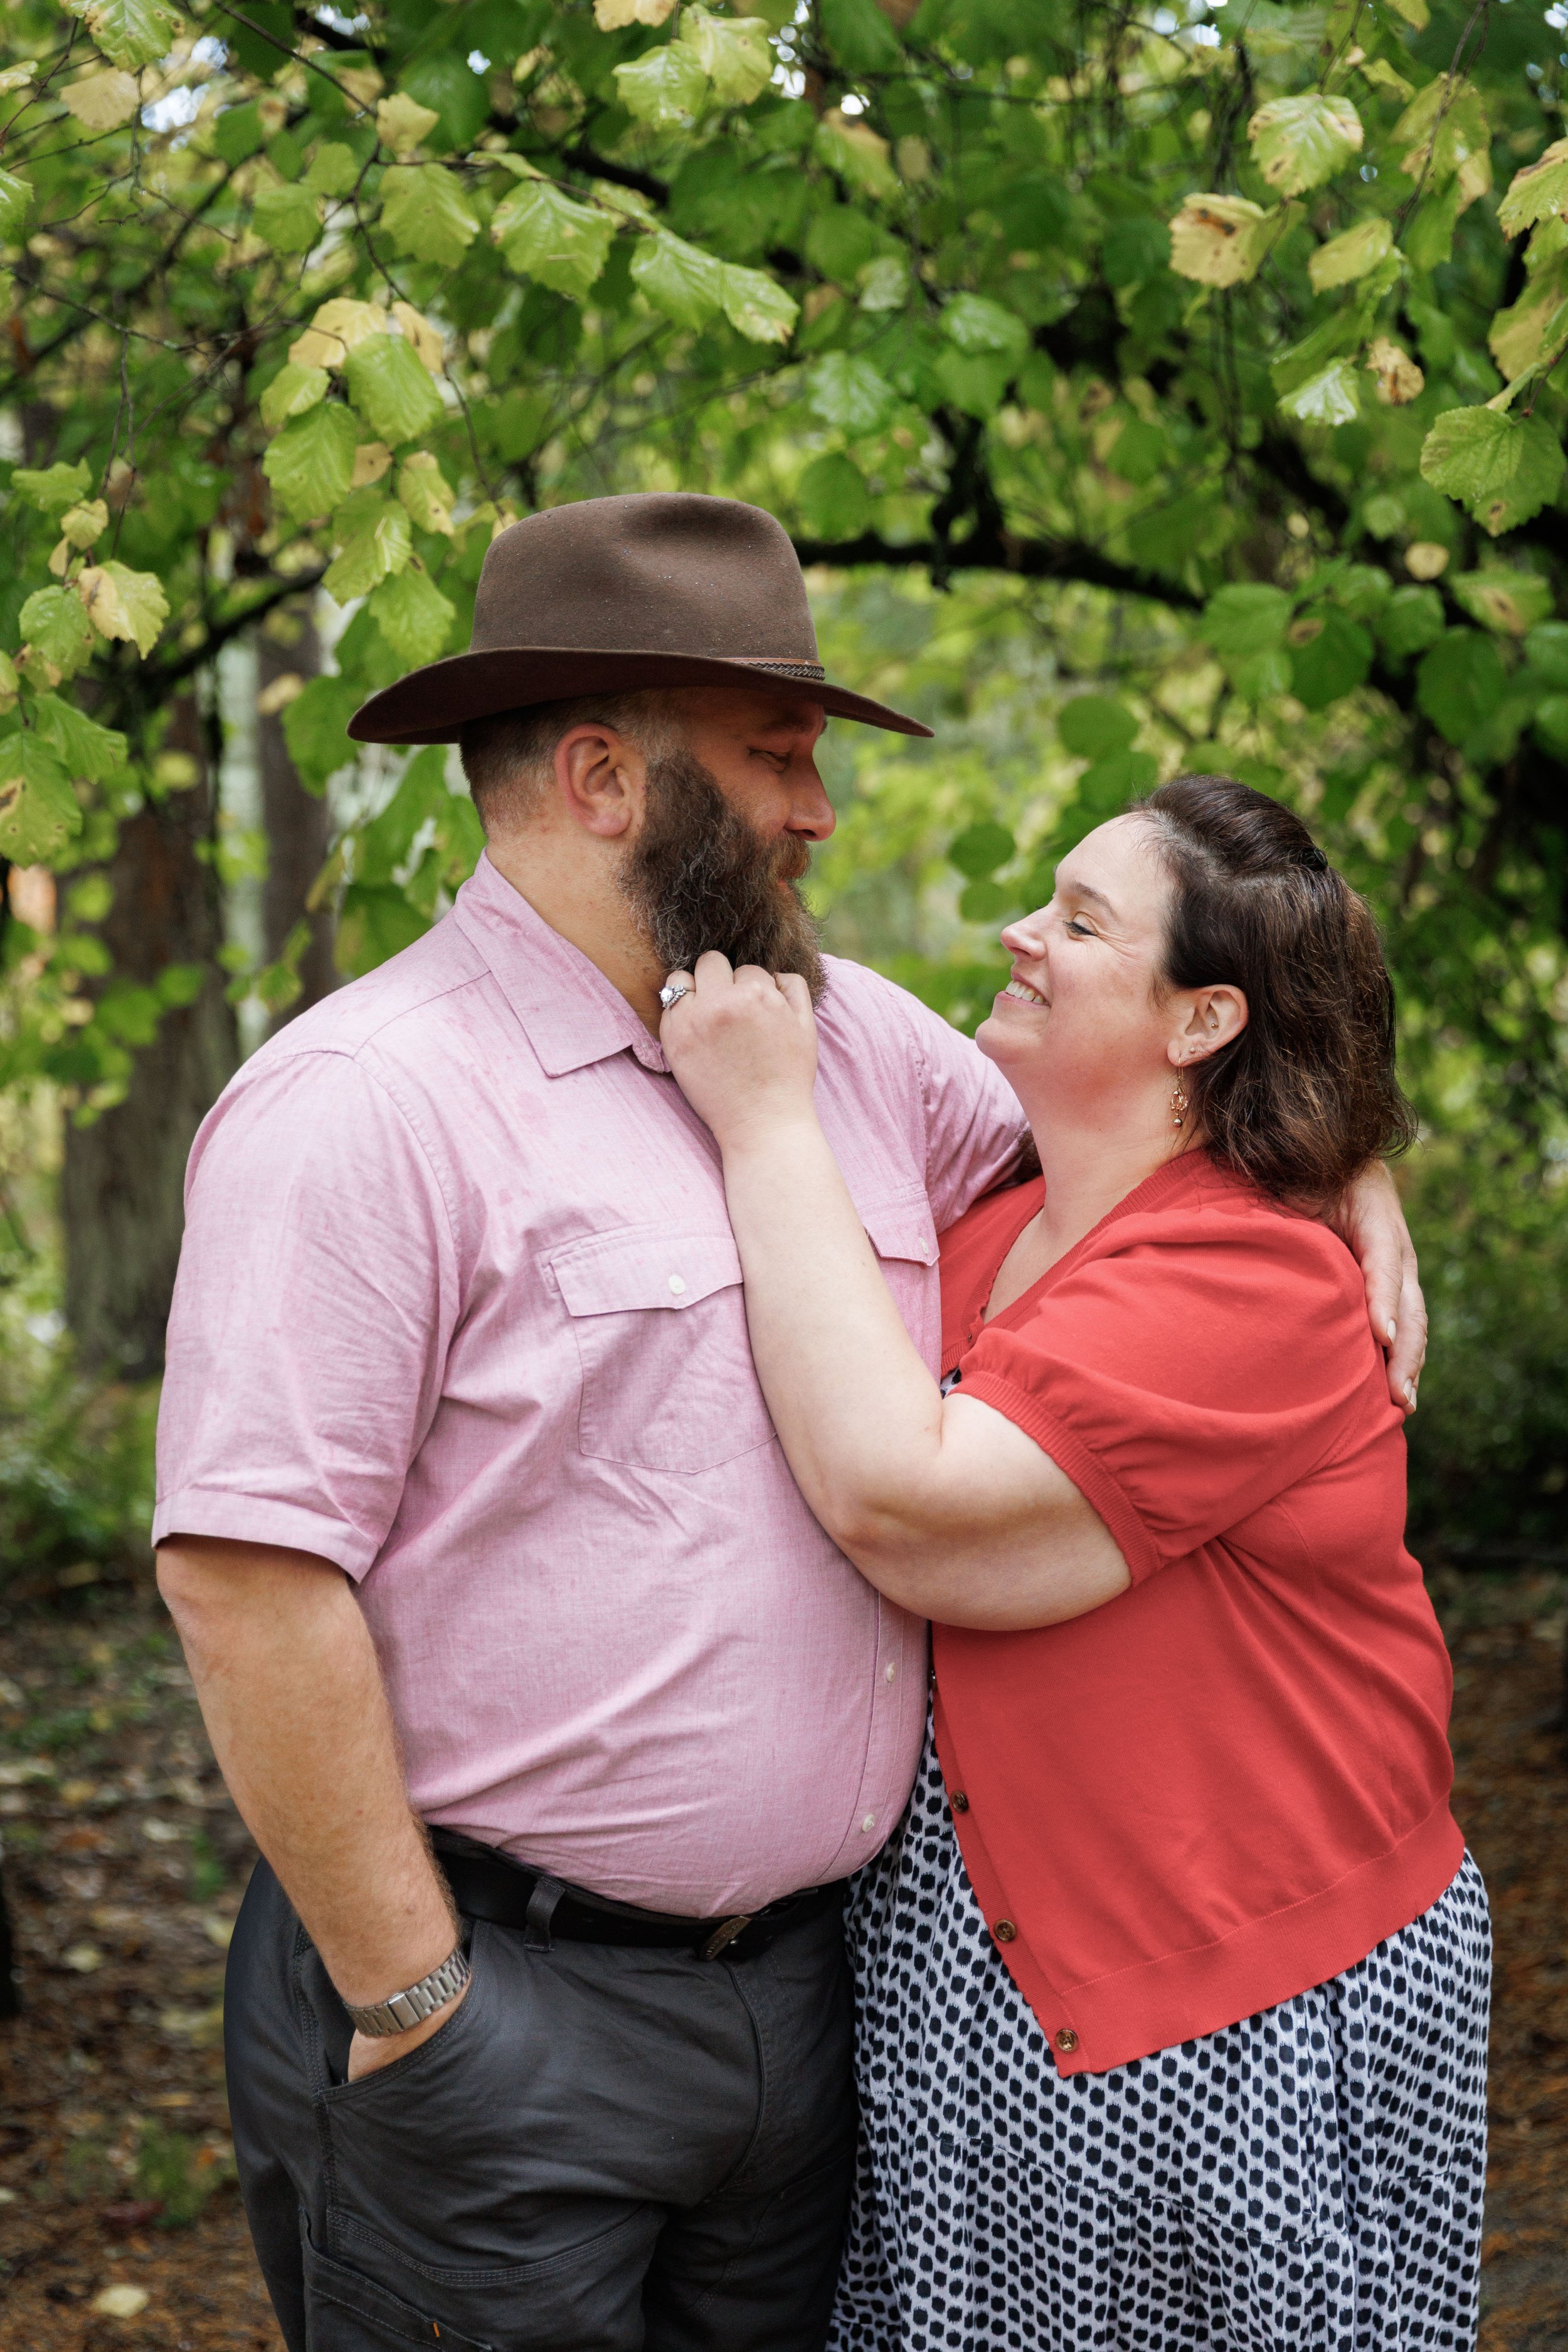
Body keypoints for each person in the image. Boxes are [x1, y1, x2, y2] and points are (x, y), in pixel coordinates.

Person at [153, 497, 1426, 2352]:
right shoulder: (363, 1105)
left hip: (813, 2018)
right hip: (499, 2004)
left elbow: (1147, 1147)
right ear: (603, 774)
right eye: (776, 757)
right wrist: (418, 1996)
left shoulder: (847, 1045)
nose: (816, 808)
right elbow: (246, 1579)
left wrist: (1344, 1164)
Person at [657, 775, 1486, 2352]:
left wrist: (761, 1118)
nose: (1015, 933)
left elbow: (907, 1509)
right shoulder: (989, 1223)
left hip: (1234, 1998)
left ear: (1200, 1022)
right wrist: (1354, 1156)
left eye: (1080, 922)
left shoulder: (1256, 1276)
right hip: (972, 1981)